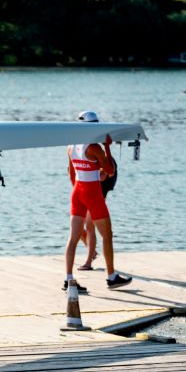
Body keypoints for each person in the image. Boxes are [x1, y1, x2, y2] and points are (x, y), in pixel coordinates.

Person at [63, 111, 131, 293]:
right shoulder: (95, 148)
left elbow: (71, 172)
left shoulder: (70, 145)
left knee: (73, 237)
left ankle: (68, 279)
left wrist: (80, 188)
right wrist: (107, 147)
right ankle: (111, 277)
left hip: (77, 191)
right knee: (107, 235)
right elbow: (109, 170)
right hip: (92, 193)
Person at [76, 111, 118, 271]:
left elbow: (108, 173)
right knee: (80, 229)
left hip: (96, 193)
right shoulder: (78, 147)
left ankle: (88, 261)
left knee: (89, 226)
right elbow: (72, 171)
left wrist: (107, 148)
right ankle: (92, 252)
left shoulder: (95, 149)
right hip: (83, 191)